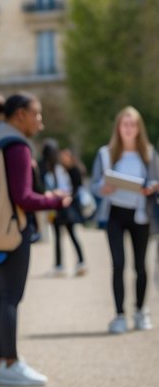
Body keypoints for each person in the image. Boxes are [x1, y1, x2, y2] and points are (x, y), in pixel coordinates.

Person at [0, 94, 70, 387]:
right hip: (14, 230)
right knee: (10, 298)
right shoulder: (17, 147)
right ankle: (12, 364)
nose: (40, 122)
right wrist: (55, 200)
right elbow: (24, 198)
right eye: (36, 114)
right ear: (20, 115)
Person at [91, 106, 157, 334]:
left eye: (133, 124)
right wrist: (103, 187)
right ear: (118, 127)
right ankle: (119, 315)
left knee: (140, 265)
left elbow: (155, 182)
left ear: (139, 128)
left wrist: (152, 188)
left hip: (140, 215)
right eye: (125, 124)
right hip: (115, 214)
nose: (129, 129)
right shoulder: (105, 153)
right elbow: (95, 185)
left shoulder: (149, 154)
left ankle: (140, 311)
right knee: (118, 264)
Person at [40, 141, 85, 277]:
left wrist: (64, 195)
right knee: (60, 237)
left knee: (70, 235)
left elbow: (70, 186)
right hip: (55, 206)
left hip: (64, 206)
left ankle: (80, 262)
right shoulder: (49, 170)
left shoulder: (61, 169)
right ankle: (60, 265)